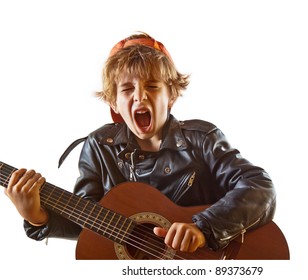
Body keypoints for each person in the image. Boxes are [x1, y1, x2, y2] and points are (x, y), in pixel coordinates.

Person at [5, 32, 276, 255]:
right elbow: (91, 224)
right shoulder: (99, 146)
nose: (139, 97)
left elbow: (259, 187)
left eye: (153, 86)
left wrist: (204, 228)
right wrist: (37, 216)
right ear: (114, 103)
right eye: (126, 89)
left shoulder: (201, 138)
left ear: (171, 95)